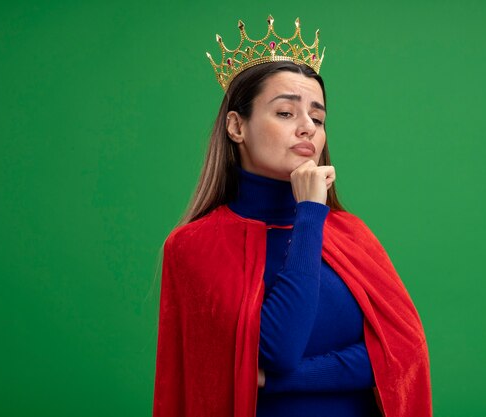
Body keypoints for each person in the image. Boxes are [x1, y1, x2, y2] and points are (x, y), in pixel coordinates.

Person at [153, 16, 432, 417]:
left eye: (317, 119)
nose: (307, 129)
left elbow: (403, 352)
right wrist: (310, 215)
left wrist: (279, 379)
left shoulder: (351, 234)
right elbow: (278, 349)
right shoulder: (194, 246)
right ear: (236, 126)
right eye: (286, 113)